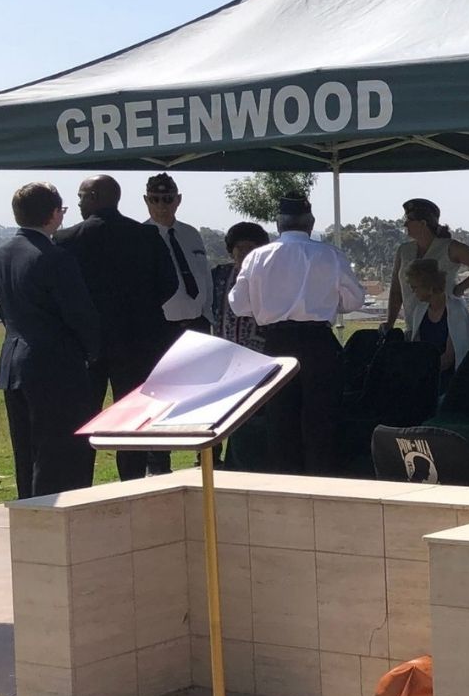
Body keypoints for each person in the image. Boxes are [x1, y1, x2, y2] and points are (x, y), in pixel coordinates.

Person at [53, 174, 178, 480]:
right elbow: (170, 284)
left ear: (95, 196)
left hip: (86, 344)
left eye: (82, 196)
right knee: (133, 422)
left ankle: (79, 482)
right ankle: (132, 482)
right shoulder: (147, 237)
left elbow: (61, 295)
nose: (79, 202)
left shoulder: (66, 240)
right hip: (139, 342)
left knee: (83, 419)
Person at [229, 194, 366, 474]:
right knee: (321, 420)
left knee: (280, 421)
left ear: (278, 223)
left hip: (276, 343)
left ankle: (286, 483)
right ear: (310, 222)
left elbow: (238, 304)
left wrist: (267, 304)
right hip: (318, 343)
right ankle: (320, 480)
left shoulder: (257, 257)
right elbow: (354, 301)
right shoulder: (329, 255)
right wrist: (327, 302)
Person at [0, 183, 102, 498]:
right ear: (54, 214)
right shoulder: (54, 258)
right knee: (60, 456)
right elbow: (80, 316)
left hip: (13, 364)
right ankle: (57, 525)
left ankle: (29, 517)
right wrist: (93, 351)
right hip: (55, 367)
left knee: (26, 454)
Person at [383, 199, 469, 337]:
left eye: (409, 219)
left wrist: (460, 288)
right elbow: (396, 290)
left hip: (445, 328)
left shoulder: (449, 247)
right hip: (413, 328)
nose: (405, 224)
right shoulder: (403, 251)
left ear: (423, 223)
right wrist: (390, 322)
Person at [144, 173, 213, 339]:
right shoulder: (139, 236)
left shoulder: (191, 234)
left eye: (168, 199)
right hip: (161, 327)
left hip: (197, 323)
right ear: (146, 200)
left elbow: (205, 276)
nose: (161, 206)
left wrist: (207, 315)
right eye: (155, 199)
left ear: (178, 200)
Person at [404, 257, 469, 395]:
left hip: (451, 377)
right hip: (426, 372)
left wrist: (424, 373)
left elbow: (450, 357)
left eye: (415, 288)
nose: (414, 292)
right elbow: (418, 348)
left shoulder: (455, 311)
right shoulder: (420, 310)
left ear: (430, 288)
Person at [210, 222, 271, 352]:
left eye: (250, 247)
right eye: (239, 247)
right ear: (231, 251)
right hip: (224, 348)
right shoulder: (219, 275)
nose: (245, 253)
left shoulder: (268, 276)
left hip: (260, 351)